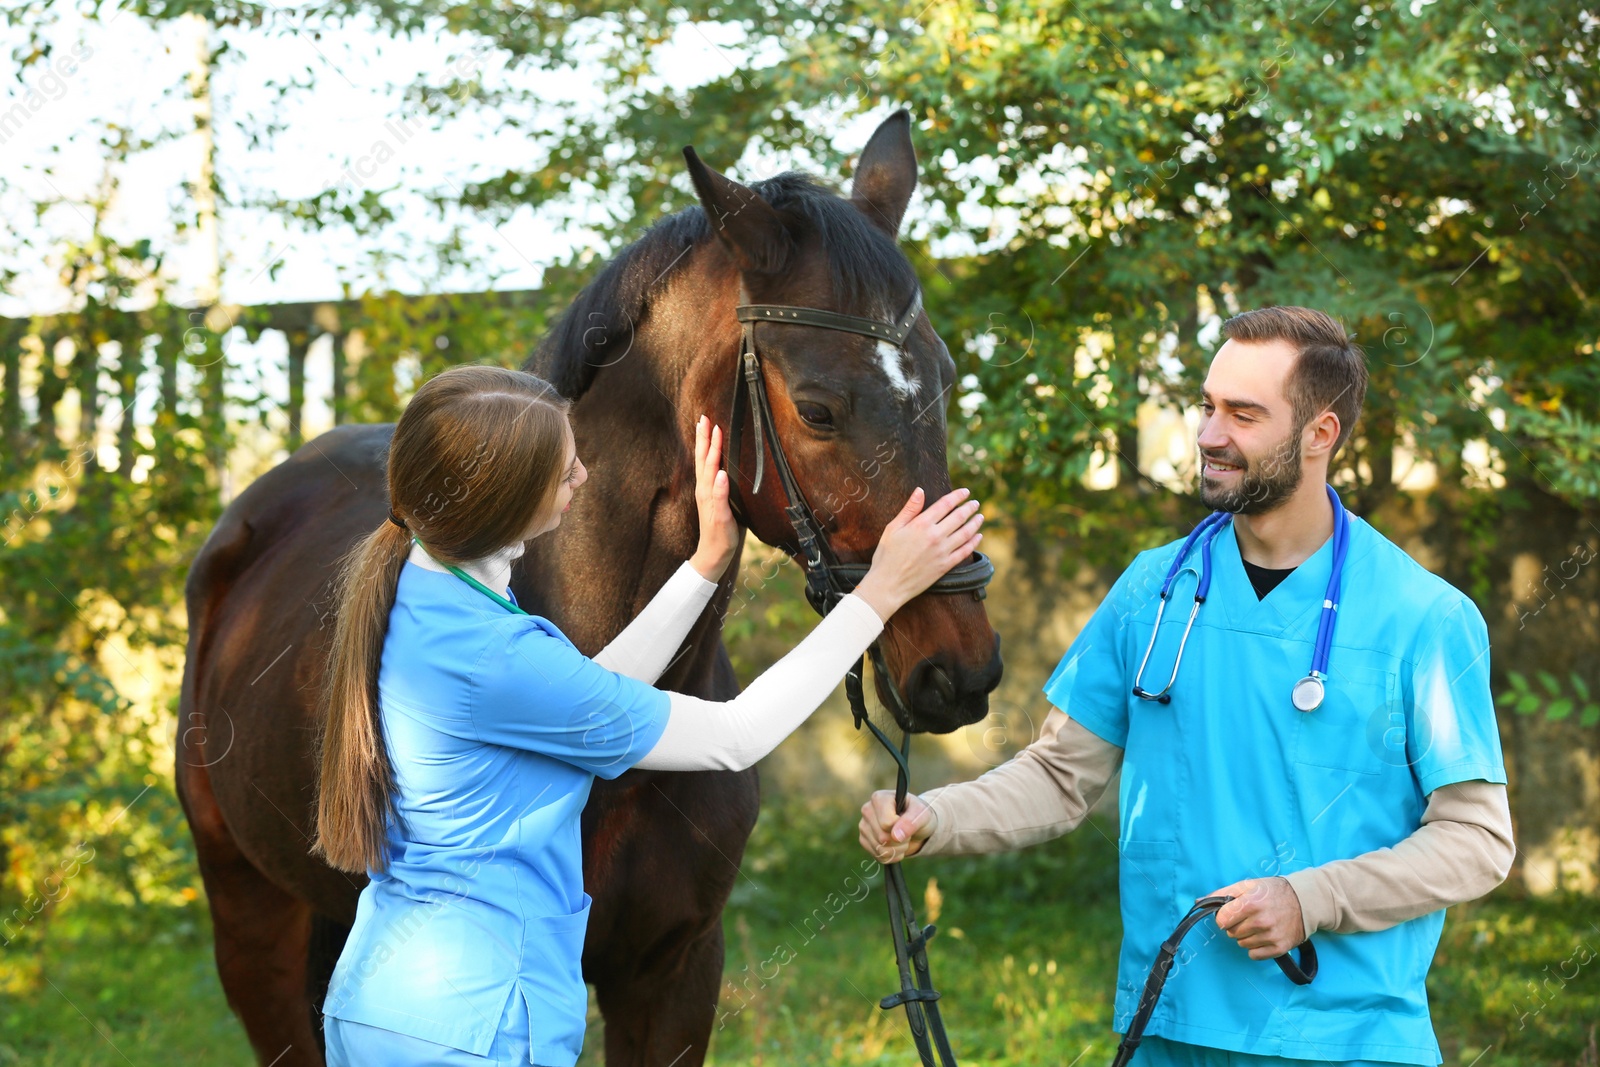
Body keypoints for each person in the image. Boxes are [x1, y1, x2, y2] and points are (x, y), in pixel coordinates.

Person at [859, 307, 1516, 1067]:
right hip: (1168, 1026)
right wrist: (933, 816)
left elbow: (1477, 840)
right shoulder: (1153, 590)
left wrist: (1311, 898)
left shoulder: (1422, 616)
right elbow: (1059, 777)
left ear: (1320, 434)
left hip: (1347, 1038)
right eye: (1207, 405)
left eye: (1243, 414)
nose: (1208, 434)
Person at [313, 364, 985, 1067]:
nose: (580, 476)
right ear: (503, 501)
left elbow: (580, 697)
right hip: (472, 1029)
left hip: (385, 1007)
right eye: (561, 468)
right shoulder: (495, 653)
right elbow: (734, 736)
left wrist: (704, 564)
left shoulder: (428, 590)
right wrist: (878, 594)